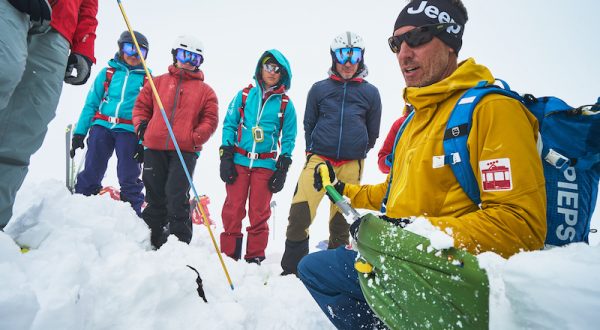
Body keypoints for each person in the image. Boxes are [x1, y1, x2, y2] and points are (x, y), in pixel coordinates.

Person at [297, 0, 547, 329]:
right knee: (315, 269)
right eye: (396, 43)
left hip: (442, 273)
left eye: (417, 38)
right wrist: (346, 190)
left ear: (450, 40)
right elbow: (393, 190)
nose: (403, 53)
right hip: (399, 258)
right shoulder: (414, 121)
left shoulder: (492, 110)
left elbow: (521, 227)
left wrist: (413, 235)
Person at [280, 31, 382, 275]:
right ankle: (292, 271)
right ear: (333, 57)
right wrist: (313, 152)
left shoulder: (371, 93)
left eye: (354, 54)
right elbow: (309, 123)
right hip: (319, 160)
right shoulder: (319, 89)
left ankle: (333, 274)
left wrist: (356, 151)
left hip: (350, 165)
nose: (348, 62)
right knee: (299, 215)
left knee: (341, 223)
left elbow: (373, 132)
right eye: (342, 55)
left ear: (361, 57)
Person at [0, 0, 98, 230]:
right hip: (11, 7)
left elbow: (89, 4)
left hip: (59, 28)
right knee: (4, 70)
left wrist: (83, 47)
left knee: (28, 123)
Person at [132, 35, 218, 249]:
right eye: (184, 55)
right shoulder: (157, 82)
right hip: (155, 146)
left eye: (194, 58)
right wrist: (143, 128)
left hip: (184, 150)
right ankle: (152, 235)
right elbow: (141, 107)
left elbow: (210, 119)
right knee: (154, 192)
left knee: (176, 192)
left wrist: (194, 138)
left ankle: (179, 241)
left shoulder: (205, 91)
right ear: (174, 55)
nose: (188, 61)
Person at [219, 50, 297, 264]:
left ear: (283, 74)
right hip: (239, 161)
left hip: (265, 165)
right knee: (233, 208)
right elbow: (230, 123)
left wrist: (283, 167)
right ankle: (229, 255)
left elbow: (289, 137)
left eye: (277, 69)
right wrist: (225, 155)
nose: (272, 73)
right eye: (269, 67)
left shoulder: (285, 105)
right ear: (260, 69)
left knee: (259, 212)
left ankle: (254, 257)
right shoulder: (244, 95)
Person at [70, 31, 149, 217]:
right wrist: (80, 132)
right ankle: (81, 203)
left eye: (141, 52)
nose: (134, 55)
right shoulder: (108, 73)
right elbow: (91, 103)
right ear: (121, 48)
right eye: (130, 48)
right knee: (93, 166)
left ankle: (132, 215)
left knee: (128, 173)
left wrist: (143, 142)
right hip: (102, 126)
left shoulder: (147, 80)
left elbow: (150, 115)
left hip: (129, 130)